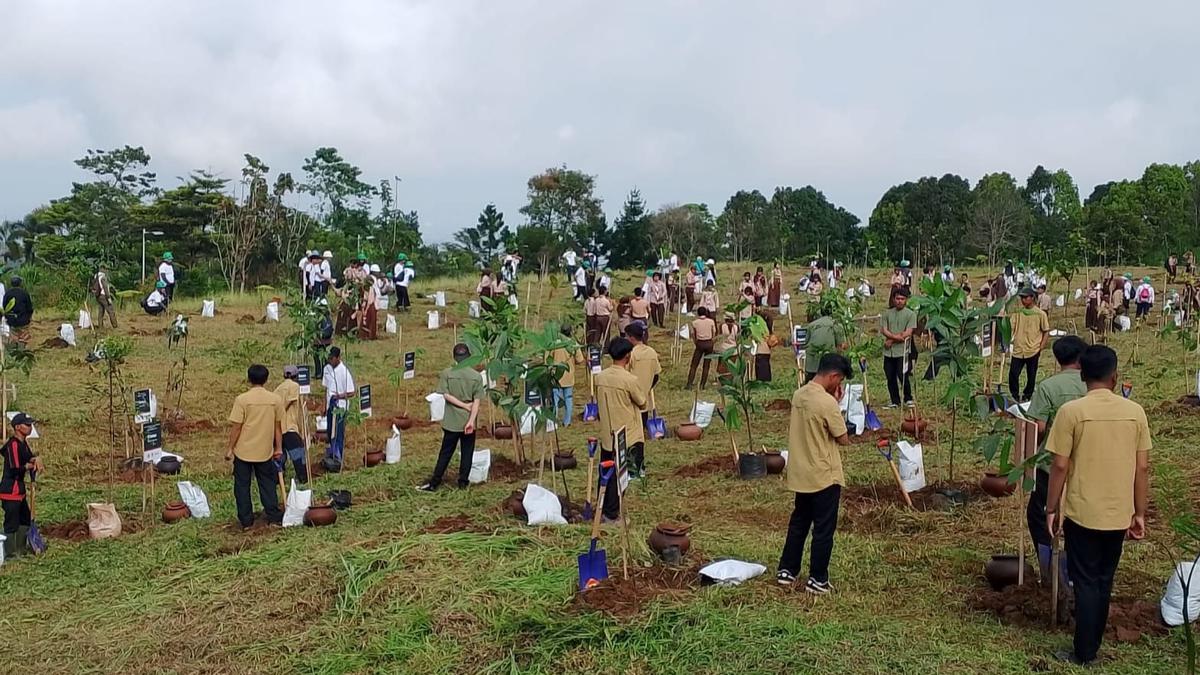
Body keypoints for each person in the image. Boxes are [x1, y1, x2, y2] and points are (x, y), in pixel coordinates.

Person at [1044, 344, 1150, 666]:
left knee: (1087, 581)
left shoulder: (1072, 413)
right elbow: (1142, 467)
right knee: (1104, 579)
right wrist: (1140, 512)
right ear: (1115, 377)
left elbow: (1059, 466)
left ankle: (1084, 651)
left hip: (1083, 512)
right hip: (1118, 513)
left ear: (1082, 377)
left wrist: (1051, 508)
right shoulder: (1135, 413)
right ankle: (1092, 641)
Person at [776, 353, 852, 593]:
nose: (838, 386)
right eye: (839, 381)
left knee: (799, 522)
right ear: (833, 376)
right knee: (823, 529)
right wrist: (837, 405)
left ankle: (787, 570)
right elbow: (843, 438)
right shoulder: (827, 403)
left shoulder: (799, 395)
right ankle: (818, 578)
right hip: (824, 474)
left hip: (801, 472)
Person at [1024, 336, 1087, 559]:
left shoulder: (1047, 387)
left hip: (1050, 465)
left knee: (1039, 516)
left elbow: (1038, 428)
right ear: (1081, 358)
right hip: (1087, 466)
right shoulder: (1093, 384)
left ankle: (1048, 563)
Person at [418, 343, 485, 491]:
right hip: (469, 421)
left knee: (446, 452)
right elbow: (477, 403)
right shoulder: (476, 377)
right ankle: (462, 482)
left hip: (451, 422)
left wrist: (461, 405)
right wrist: (471, 421)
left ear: (454, 357)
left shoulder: (447, 373)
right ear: (469, 357)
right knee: (467, 452)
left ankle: (435, 482)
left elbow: (446, 395)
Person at [593, 338, 647, 522]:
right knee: (621, 475)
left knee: (606, 473)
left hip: (607, 434)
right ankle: (612, 514)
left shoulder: (599, 377)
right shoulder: (630, 380)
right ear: (627, 356)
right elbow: (642, 402)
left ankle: (602, 508)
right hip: (627, 434)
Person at [226, 365, 286, 529]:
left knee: (242, 486)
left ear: (249, 379)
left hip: (243, 451)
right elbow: (278, 428)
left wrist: (230, 449)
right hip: (265, 451)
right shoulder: (275, 400)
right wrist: (278, 448)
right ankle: (273, 516)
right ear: (266, 380)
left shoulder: (242, 400)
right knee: (267, 484)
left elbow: (236, 427)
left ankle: (246, 521)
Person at [1, 413, 42, 559]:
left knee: (24, 518)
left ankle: (21, 548)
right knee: (11, 522)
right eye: (27, 425)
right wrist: (29, 466)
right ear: (18, 427)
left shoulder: (23, 443)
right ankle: (10, 553)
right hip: (10, 490)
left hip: (20, 490)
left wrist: (36, 459)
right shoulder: (12, 444)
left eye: (31, 425)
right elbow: (15, 468)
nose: (30, 427)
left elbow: (28, 456)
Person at [626, 323, 661, 471]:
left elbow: (624, 376)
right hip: (644, 401)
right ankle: (640, 467)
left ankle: (631, 466)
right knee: (640, 436)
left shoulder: (631, 354)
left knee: (629, 437)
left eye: (627, 336)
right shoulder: (652, 352)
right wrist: (646, 388)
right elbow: (656, 375)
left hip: (629, 402)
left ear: (632, 338)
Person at [1009, 287, 1050, 402]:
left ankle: (1027, 394)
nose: (1023, 300)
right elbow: (1010, 328)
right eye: (1021, 298)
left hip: (1033, 349)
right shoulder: (1018, 314)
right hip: (1018, 349)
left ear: (1032, 298)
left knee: (1031, 375)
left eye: (1025, 297)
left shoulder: (1040, 314)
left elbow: (1046, 331)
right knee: (1013, 373)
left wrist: (1041, 346)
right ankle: (1014, 395)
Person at [880, 287, 916, 408]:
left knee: (903, 375)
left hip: (902, 351)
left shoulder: (911, 314)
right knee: (890, 376)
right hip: (888, 352)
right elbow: (884, 330)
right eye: (897, 298)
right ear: (894, 299)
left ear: (906, 300)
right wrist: (894, 338)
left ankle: (908, 398)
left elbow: (907, 333)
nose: (899, 301)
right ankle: (895, 400)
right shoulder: (887, 313)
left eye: (902, 299)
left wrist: (891, 340)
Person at [321, 346, 356, 469]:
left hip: (340, 407)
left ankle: (338, 457)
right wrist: (324, 405)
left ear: (338, 358)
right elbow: (326, 388)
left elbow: (352, 392)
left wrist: (339, 396)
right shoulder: (327, 369)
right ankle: (332, 453)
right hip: (330, 405)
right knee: (330, 430)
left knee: (338, 432)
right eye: (329, 358)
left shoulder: (344, 372)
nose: (330, 361)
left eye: (332, 359)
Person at [274, 366, 307, 485]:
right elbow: (286, 404)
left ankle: (279, 479)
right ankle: (303, 478)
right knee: (298, 454)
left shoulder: (277, 389)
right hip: (289, 427)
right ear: (296, 376)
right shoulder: (294, 386)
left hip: (277, 429)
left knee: (280, 455)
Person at [551, 328, 585, 427]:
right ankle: (567, 421)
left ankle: (554, 421)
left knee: (555, 399)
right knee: (568, 398)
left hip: (556, 375)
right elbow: (580, 360)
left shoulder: (554, 344)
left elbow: (547, 359)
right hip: (569, 375)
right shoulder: (573, 344)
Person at [805, 301, 847, 382]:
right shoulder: (836, 325)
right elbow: (842, 345)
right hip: (828, 366)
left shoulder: (812, 325)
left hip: (811, 366)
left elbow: (805, 343)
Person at [686, 307, 717, 389]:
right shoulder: (711, 321)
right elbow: (714, 332)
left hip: (700, 343)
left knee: (694, 365)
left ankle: (689, 383)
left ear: (698, 313)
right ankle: (702, 385)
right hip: (709, 343)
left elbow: (692, 334)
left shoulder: (695, 322)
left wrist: (695, 342)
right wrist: (712, 341)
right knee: (706, 365)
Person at [90, 263, 118, 328]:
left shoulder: (96, 276)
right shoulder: (103, 277)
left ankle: (100, 326)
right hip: (103, 296)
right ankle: (115, 325)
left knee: (101, 311)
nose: (107, 270)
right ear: (103, 269)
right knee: (110, 310)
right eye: (106, 269)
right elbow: (105, 288)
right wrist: (108, 298)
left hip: (98, 296)